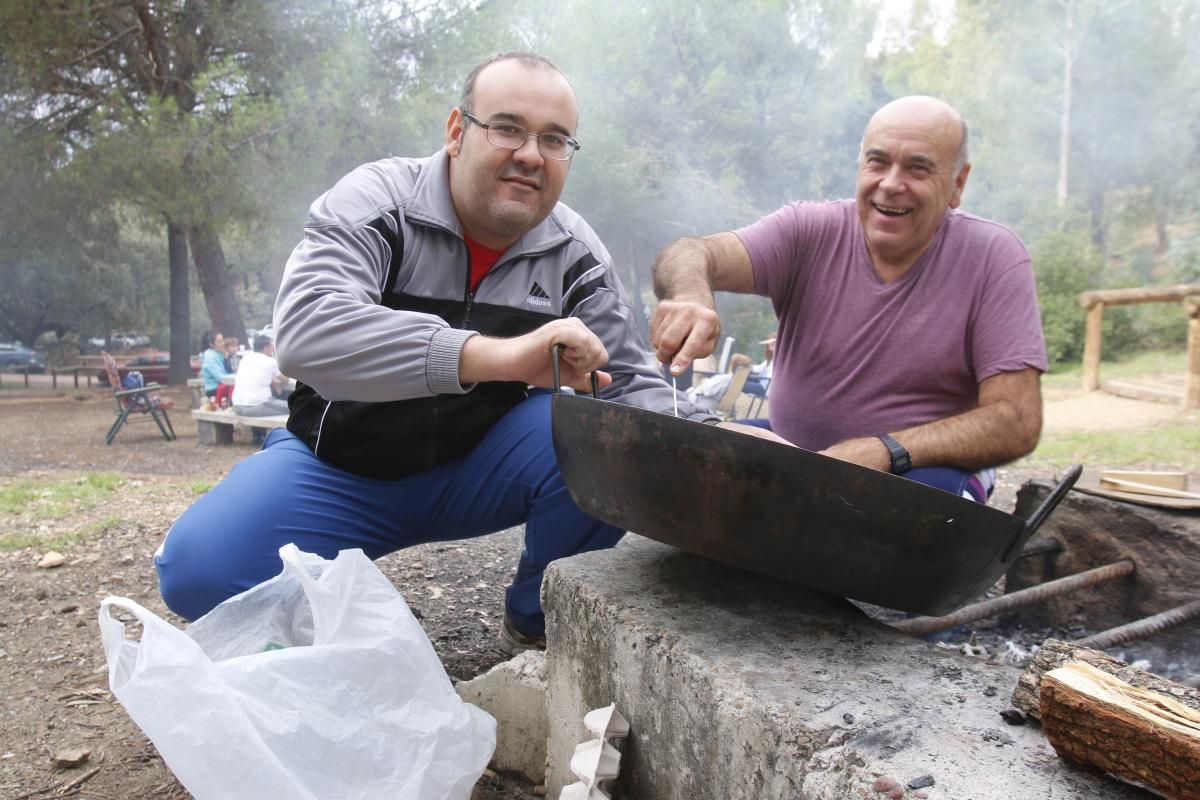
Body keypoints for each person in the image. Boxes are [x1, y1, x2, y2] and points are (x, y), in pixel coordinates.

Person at [154, 51, 714, 654]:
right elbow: (306, 330)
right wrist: (496, 356)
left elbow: (630, 382)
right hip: (338, 468)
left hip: (478, 467)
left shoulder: (576, 253)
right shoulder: (379, 202)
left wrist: (723, 443)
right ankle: (323, 626)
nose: (530, 154)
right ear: (456, 132)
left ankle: (537, 619)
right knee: (196, 572)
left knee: (614, 437)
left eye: (554, 140)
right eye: (507, 128)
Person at [650, 95, 1046, 503]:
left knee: (920, 513)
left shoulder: (994, 258)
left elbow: (1015, 421)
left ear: (958, 184)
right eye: (878, 162)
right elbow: (690, 252)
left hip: (921, 473)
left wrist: (885, 450)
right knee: (684, 470)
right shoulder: (808, 231)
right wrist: (693, 295)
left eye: (918, 168)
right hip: (799, 454)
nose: (891, 184)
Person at [231, 333, 290, 417]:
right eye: (272, 346)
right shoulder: (269, 361)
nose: (273, 349)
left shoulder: (245, 358)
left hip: (237, 406)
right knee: (296, 408)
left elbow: (257, 375)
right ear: (266, 348)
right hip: (257, 406)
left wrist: (273, 381)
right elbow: (286, 379)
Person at [199, 330, 230, 399]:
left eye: (223, 340)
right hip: (213, 389)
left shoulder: (221, 354)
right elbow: (220, 378)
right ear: (211, 344)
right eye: (220, 342)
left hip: (223, 386)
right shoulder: (209, 357)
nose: (223, 343)